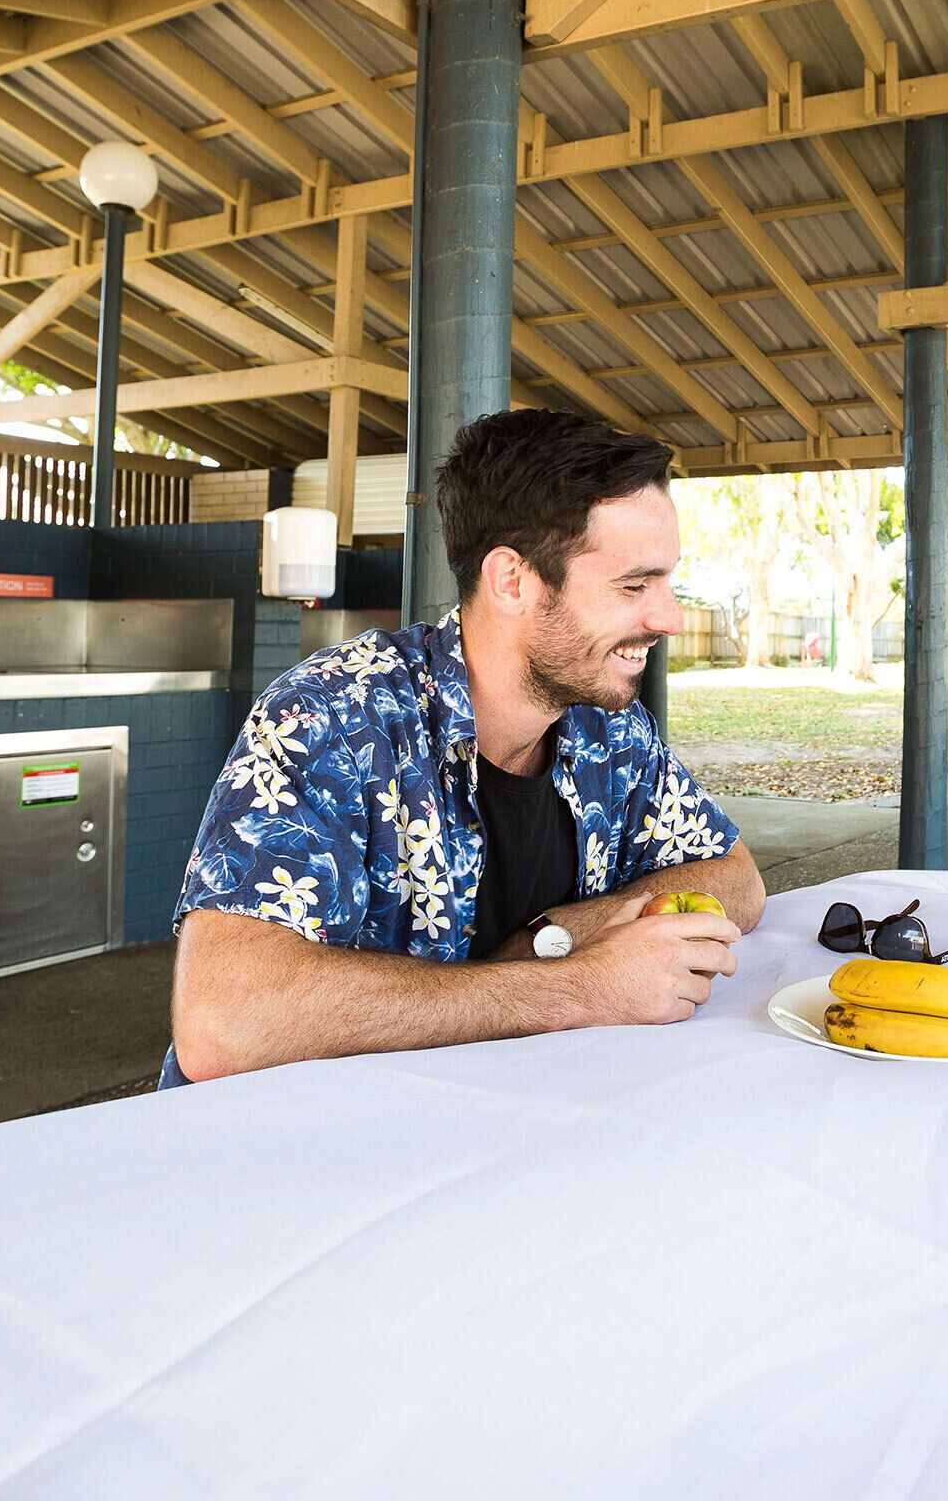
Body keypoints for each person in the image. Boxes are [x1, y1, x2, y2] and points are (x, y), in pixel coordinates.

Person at [163, 410, 766, 1084]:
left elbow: (735, 879)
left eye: (666, 582)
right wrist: (580, 986)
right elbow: (225, 1023)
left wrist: (550, 937)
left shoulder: (608, 727)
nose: (669, 618)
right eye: (635, 585)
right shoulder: (333, 717)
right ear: (513, 580)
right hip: (308, 1158)